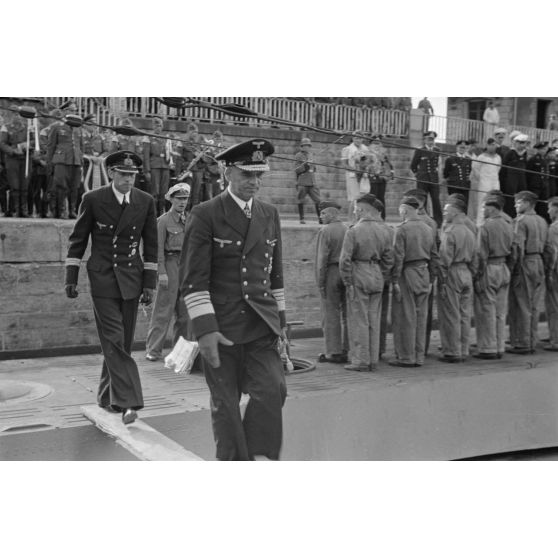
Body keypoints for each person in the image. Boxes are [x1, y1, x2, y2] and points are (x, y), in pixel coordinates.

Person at [179, 138, 287, 461]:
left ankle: (257, 450)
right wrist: (205, 331)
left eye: (259, 176)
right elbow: (193, 281)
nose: (254, 183)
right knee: (225, 404)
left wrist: (281, 326)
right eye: (246, 175)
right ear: (227, 172)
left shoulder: (270, 214)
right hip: (221, 325)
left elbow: (275, 277)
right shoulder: (204, 214)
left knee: (272, 390)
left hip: (259, 324)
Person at [64, 150, 158, 424]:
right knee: (114, 340)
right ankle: (129, 402)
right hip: (103, 278)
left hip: (132, 278)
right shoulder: (93, 199)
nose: (129, 179)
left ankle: (106, 396)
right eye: (123, 174)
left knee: (122, 344)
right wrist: (71, 276)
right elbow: (78, 240)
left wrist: (149, 284)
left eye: (132, 175)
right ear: (112, 173)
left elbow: (150, 245)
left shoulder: (145, 201)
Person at [339, 194, 394, 372]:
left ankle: (360, 360)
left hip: (359, 273)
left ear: (362, 210)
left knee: (358, 319)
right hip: (376, 273)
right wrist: (382, 274)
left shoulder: (353, 231)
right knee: (374, 319)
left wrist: (348, 280)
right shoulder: (384, 230)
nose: (354, 212)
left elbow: (345, 260)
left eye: (356, 209)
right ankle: (373, 359)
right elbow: (389, 258)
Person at [389, 195, 439, 367]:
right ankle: (419, 356)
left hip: (407, 273)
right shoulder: (428, 228)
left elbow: (398, 256)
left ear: (404, 210)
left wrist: (394, 279)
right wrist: (432, 277)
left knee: (406, 316)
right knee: (421, 316)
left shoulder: (402, 229)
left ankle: (406, 357)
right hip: (424, 272)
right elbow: (434, 255)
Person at [145, 183, 191, 361]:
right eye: (179, 198)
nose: (182, 202)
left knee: (184, 314)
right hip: (170, 265)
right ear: (171, 199)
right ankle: (154, 350)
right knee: (163, 310)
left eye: (185, 199)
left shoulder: (189, 219)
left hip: (185, 266)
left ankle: (179, 352)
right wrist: (161, 272)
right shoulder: (163, 221)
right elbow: (157, 250)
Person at [507, 190, 548, 354]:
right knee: (534, 305)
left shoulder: (521, 221)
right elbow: (549, 248)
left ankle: (523, 342)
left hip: (525, 262)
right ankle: (532, 339)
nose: (516, 205)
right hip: (539, 261)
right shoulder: (542, 221)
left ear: (525, 202)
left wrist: (513, 268)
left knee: (522, 304)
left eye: (517, 202)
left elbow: (518, 248)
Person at [473, 194, 514, 359]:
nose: (482, 211)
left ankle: (488, 348)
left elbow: (480, 254)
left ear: (491, 209)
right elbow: (515, 250)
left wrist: (477, 275)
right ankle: (500, 346)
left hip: (489, 268)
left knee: (486, 309)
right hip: (504, 267)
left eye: (484, 208)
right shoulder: (508, 224)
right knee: (500, 311)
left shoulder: (486, 226)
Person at [437, 197, 477, 363]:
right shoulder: (470, 231)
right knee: (464, 314)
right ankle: (464, 349)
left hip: (453, 271)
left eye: (447, 211)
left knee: (451, 313)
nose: (445, 213)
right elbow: (476, 257)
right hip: (467, 271)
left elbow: (444, 259)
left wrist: (442, 279)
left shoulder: (450, 231)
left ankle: (453, 351)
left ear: (455, 211)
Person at [315, 200, 349, 364]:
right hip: (347, 272)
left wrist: (320, 283)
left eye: (322, 213)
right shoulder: (347, 228)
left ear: (330, 214)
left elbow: (322, 260)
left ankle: (333, 351)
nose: (320, 216)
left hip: (331, 272)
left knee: (330, 313)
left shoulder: (326, 231)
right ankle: (348, 348)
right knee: (347, 313)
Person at [46, 111, 84, 219]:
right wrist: (49, 162)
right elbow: (51, 146)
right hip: (61, 160)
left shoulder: (78, 128)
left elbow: (81, 147)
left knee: (74, 187)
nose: (73, 112)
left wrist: (80, 160)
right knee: (61, 186)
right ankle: (61, 210)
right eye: (70, 110)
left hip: (75, 160)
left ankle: (72, 210)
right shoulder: (57, 127)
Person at [0, 112, 30, 217]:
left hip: (25, 159)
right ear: (11, 116)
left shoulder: (28, 128)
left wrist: (28, 146)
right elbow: (2, 143)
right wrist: (12, 151)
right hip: (12, 159)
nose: (17, 117)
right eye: (14, 114)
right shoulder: (6, 127)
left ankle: (24, 210)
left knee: (25, 185)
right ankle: (16, 210)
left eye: (19, 115)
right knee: (15, 185)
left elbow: (35, 141)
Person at [410, 131, 442, 227]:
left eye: (432, 139)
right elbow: (413, 166)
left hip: (434, 179)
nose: (430, 141)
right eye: (428, 139)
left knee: (436, 199)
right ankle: (423, 219)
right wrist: (418, 175)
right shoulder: (420, 150)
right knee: (422, 199)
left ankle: (438, 221)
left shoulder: (437, 150)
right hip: (423, 179)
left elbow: (438, 165)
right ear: (425, 140)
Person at [142, 116, 171, 215]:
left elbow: (169, 153)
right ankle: (153, 213)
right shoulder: (148, 137)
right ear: (153, 126)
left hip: (165, 166)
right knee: (155, 192)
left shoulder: (165, 138)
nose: (159, 128)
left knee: (164, 191)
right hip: (154, 166)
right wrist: (147, 171)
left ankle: (162, 212)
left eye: (160, 126)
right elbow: (145, 156)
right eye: (157, 126)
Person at [470, 138, 502, 226]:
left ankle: (493, 223)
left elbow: (498, 168)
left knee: (495, 202)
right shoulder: (481, 157)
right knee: (482, 203)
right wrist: (482, 179)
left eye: (494, 145)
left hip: (495, 182)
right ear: (487, 145)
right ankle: (480, 224)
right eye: (491, 145)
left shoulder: (498, 157)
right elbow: (476, 169)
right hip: (484, 183)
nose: (493, 147)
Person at [340, 131, 369, 220]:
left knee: (363, 196)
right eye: (356, 138)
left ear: (362, 139)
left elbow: (368, 161)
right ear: (353, 138)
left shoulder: (366, 149)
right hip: (352, 175)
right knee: (354, 198)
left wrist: (364, 166)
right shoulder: (347, 149)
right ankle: (350, 219)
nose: (358, 140)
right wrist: (354, 169)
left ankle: (361, 218)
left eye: (360, 138)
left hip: (363, 175)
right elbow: (344, 164)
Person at [500, 133, 529, 218]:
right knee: (510, 197)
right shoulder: (510, 153)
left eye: (524, 143)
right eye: (520, 143)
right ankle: (509, 215)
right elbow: (504, 168)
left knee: (521, 195)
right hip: (511, 179)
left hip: (521, 179)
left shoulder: (524, 153)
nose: (522, 145)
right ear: (515, 143)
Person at [294, 137, 321, 224]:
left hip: (312, 181)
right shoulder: (298, 156)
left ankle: (320, 218)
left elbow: (314, 168)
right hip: (302, 181)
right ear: (301, 147)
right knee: (300, 199)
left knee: (318, 200)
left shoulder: (311, 155)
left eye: (308, 146)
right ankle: (301, 218)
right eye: (305, 146)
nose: (307, 147)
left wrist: (312, 166)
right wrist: (306, 165)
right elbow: (296, 169)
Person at [543, 196, 558, 350]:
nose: (548, 211)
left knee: (554, 305)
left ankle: (556, 339)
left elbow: (553, 251)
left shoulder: (554, 228)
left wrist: (548, 272)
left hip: (556, 270)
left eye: (549, 207)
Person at [367, 135, 394, 220]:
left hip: (382, 178)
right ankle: (372, 217)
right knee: (372, 198)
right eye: (375, 143)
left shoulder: (383, 153)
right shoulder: (367, 153)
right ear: (371, 143)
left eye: (378, 143)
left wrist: (391, 173)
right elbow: (365, 165)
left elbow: (389, 164)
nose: (377, 145)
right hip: (372, 178)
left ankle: (382, 217)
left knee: (381, 198)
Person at [443, 140, 472, 205]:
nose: (462, 149)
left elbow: (469, 171)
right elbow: (446, 173)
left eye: (464, 148)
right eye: (460, 147)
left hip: (465, 185)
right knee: (453, 203)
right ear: (457, 147)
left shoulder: (469, 160)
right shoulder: (450, 158)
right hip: (454, 185)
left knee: (464, 204)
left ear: (466, 149)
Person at [527, 141, 549, 221]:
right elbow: (528, 173)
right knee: (533, 203)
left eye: (545, 149)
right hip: (535, 186)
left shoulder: (545, 159)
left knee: (543, 204)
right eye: (542, 149)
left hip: (543, 185)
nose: (544, 151)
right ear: (538, 150)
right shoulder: (533, 159)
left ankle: (541, 219)